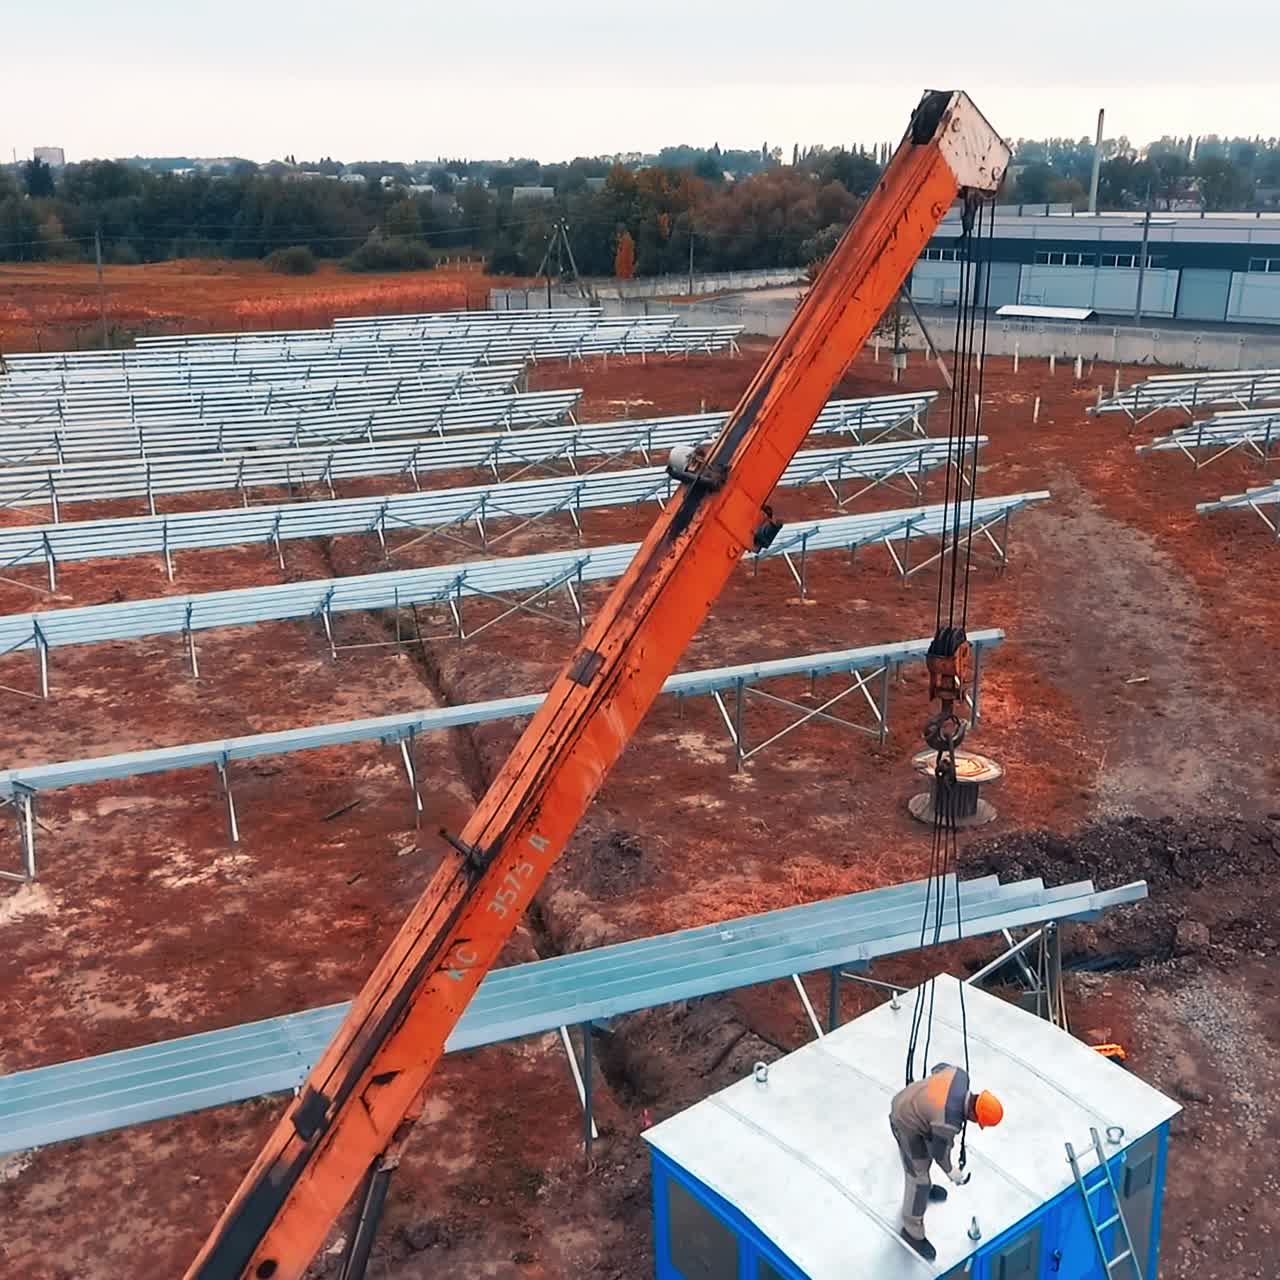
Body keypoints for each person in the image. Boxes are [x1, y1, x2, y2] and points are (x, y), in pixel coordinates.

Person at [888, 1063, 1004, 1262]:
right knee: (919, 1179)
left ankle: (923, 1195)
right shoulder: (948, 1122)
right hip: (905, 1121)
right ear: (976, 1116)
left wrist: (929, 1101)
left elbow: (938, 1068)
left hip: (910, 1101)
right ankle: (912, 1231)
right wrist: (952, 1173)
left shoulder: (960, 1076)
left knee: (925, 1160)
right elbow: (940, 1152)